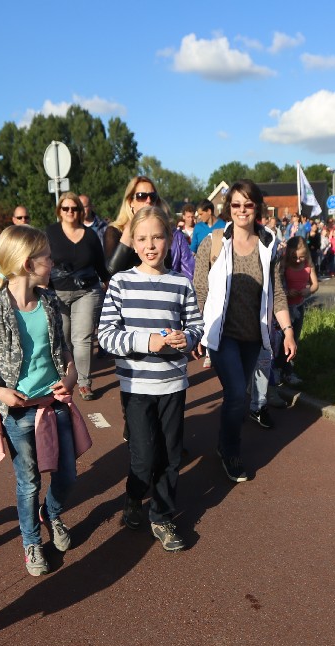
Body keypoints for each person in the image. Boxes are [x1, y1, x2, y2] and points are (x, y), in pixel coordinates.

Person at [0, 225, 87, 577]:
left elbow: (64, 351)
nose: (52, 262)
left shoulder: (50, 301)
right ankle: (31, 541)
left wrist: (71, 377)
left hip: (54, 404)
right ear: (28, 264)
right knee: (28, 482)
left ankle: (51, 513)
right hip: (18, 413)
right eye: (47, 257)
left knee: (68, 475)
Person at [98, 206, 203, 552]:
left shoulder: (181, 283)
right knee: (144, 457)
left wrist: (186, 339)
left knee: (170, 456)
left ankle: (162, 516)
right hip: (136, 385)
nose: (150, 245)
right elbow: (106, 336)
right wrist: (146, 341)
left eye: (158, 237)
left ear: (170, 239)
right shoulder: (121, 282)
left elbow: (196, 326)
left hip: (172, 383)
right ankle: (133, 496)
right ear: (133, 242)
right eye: (142, 238)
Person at [194, 179, 298, 483]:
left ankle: (223, 442)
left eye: (248, 204)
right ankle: (231, 451)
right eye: (236, 204)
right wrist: (197, 329)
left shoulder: (268, 244)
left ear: (257, 207)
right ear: (229, 207)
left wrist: (287, 330)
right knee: (238, 393)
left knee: (236, 396)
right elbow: (200, 289)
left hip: (254, 337)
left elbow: (277, 291)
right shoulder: (213, 242)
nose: (242, 210)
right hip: (222, 335)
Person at [46, 192, 111, 401]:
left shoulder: (90, 235)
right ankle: (64, 377)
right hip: (57, 292)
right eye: (66, 208)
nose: (70, 212)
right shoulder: (50, 233)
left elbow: (100, 264)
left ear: (80, 211)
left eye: (74, 208)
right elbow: (41, 260)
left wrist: (109, 283)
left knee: (82, 338)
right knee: (63, 338)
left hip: (87, 291)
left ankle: (84, 383)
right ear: (59, 211)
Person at [105, 175, 174, 275]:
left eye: (153, 196)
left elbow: (167, 266)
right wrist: (129, 232)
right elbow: (110, 271)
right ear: (130, 202)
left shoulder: (162, 230)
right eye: (141, 196)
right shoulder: (114, 231)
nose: (148, 200)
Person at [279, 235, 319, 387]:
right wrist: (287, 292)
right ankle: (277, 368)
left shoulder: (308, 264)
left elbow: (315, 285)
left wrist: (307, 291)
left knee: (294, 339)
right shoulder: (285, 264)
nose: (297, 260)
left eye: (301, 257)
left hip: (298, 306)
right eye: (294, 257)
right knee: (280, 340)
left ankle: (288, 371)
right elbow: (278, 284)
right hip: (284, 308)